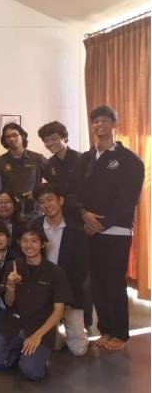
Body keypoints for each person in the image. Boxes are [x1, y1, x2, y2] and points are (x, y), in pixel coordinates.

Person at [76, 105, 144, 352]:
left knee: (114, 283)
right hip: (88, 229)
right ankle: (105, 329)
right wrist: (84, 215)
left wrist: (99, 224)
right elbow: (75, 192)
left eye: (105, 120)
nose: (100, 125)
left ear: (115, 124)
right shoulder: (85, 159)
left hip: (116, 231)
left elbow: (128, 200)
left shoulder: (129, 159)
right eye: (96, 121)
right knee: (96, 283)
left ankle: (120, 333)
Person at [0, 224, 71, 381]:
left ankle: (31, 358)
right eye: (24, 241)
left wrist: (37, 336)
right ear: (19, 243)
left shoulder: (56, 272)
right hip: (14, 325)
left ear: (42, 244)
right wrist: (11, 287)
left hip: (39, 328)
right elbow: (9, 303)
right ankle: (20, 354)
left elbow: (59, 311)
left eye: (34, 241)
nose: (29, 245)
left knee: (31, 371)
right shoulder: (13, 266)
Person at [31, 184, 88, 356]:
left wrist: (65, 292)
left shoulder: (76, 228)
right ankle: (57, 333)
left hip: (70, 288)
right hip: (44, 290)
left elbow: (82, 266)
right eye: (41, 202)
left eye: (50, 199)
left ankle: (77, 330)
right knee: (54, 346)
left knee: (79, 350)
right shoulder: (35, 227)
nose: (46, 205)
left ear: (61, 200)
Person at [0, 123, 46, 222]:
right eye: (8, 137)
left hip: (32, 211)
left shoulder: (37, 159)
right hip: (8, 213)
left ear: (22, 136)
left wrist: (37, 192)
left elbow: (54, 182)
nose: (11, 139)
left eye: (15, 135)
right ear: (4, 140)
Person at [37, 121, 81, 213]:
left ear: (65, 138)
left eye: (53, 139)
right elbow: (53, 190)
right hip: (63, 211)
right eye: (46, 140)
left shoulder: (81, 159)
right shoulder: (49, 164)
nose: (50, 143)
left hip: (84, 210)